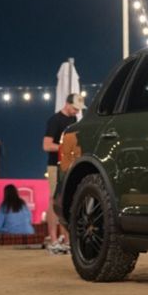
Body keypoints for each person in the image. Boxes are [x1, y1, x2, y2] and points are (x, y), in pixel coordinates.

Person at [43, 93, 84, 253]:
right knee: (53, 199)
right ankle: (53, 239)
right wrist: (65, 149)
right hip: (55, 166)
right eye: (75, 108)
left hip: (68, 166)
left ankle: (66, 239)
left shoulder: (74, 120)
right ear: (67, 104)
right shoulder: (55, 120)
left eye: (78, 109)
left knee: (66, 200)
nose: (77, 111)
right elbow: (46, 145)